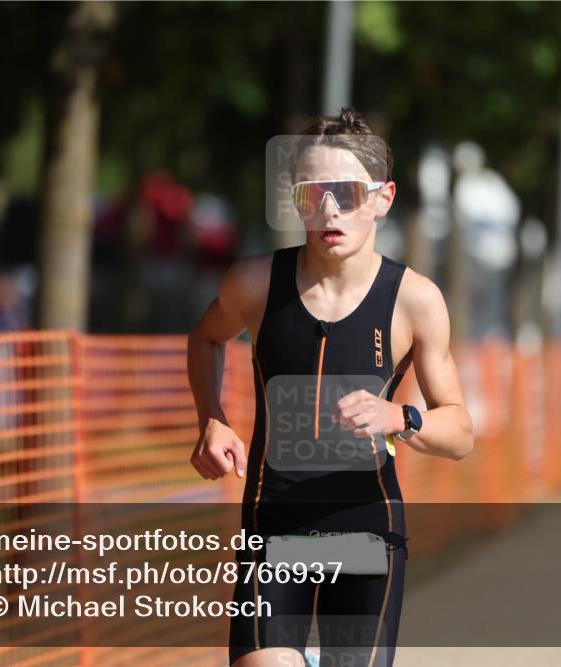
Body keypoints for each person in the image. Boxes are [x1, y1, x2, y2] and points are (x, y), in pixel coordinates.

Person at [186, 108, 474, 667]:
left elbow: (459, 432)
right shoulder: (253, 283)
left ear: (383, 198)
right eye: (310, 194)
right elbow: (205, 339)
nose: (328, 210)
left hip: (367, 532)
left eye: (345, 192)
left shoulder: (415, 300)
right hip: (275, 527)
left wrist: (401, 419)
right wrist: (211, 416)